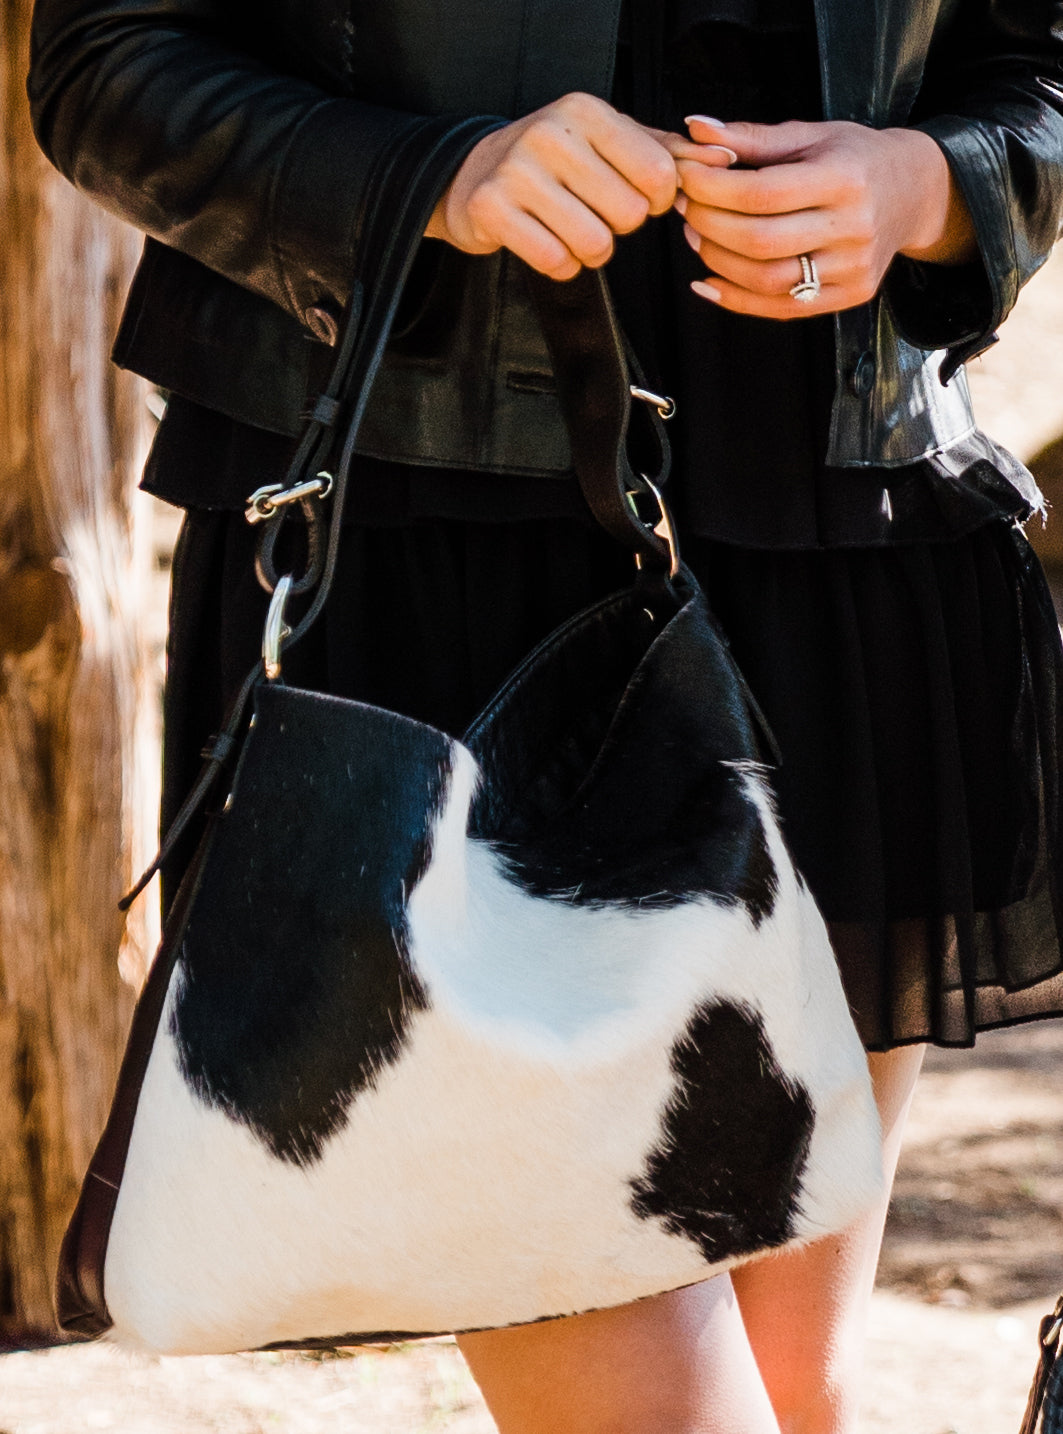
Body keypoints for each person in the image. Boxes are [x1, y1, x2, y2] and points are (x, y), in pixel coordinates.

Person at [26, 0, 1063, 1430]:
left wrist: (929, 185)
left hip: (842, 551)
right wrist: (433, 178)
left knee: (793, 1404)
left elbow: (1037, 63)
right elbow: (108, 63)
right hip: (427, 567)